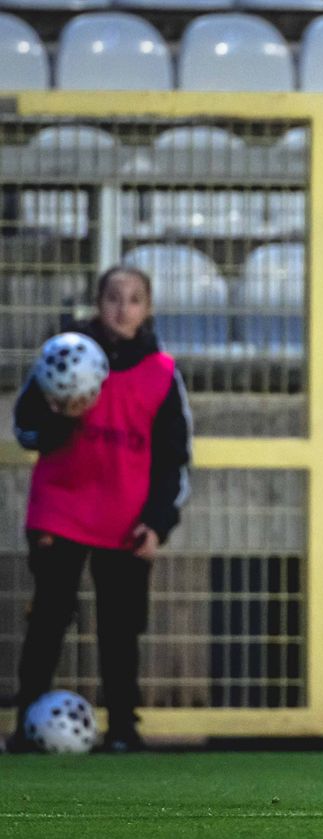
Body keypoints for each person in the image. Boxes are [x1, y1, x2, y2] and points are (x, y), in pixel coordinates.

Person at [7, 265, 192, 754]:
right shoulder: (64, 356)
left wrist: (158, 523)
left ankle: (124, 728)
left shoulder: (161, 373)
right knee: (49, 617)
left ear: (147, 309)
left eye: (134, 300)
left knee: (121, 625)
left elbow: (174, 459)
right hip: (60, 510)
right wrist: (60, 418)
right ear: (98, 303)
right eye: (113, 298)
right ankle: (26, 725)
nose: (122, 309)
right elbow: (26, 430)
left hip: (125, 519)